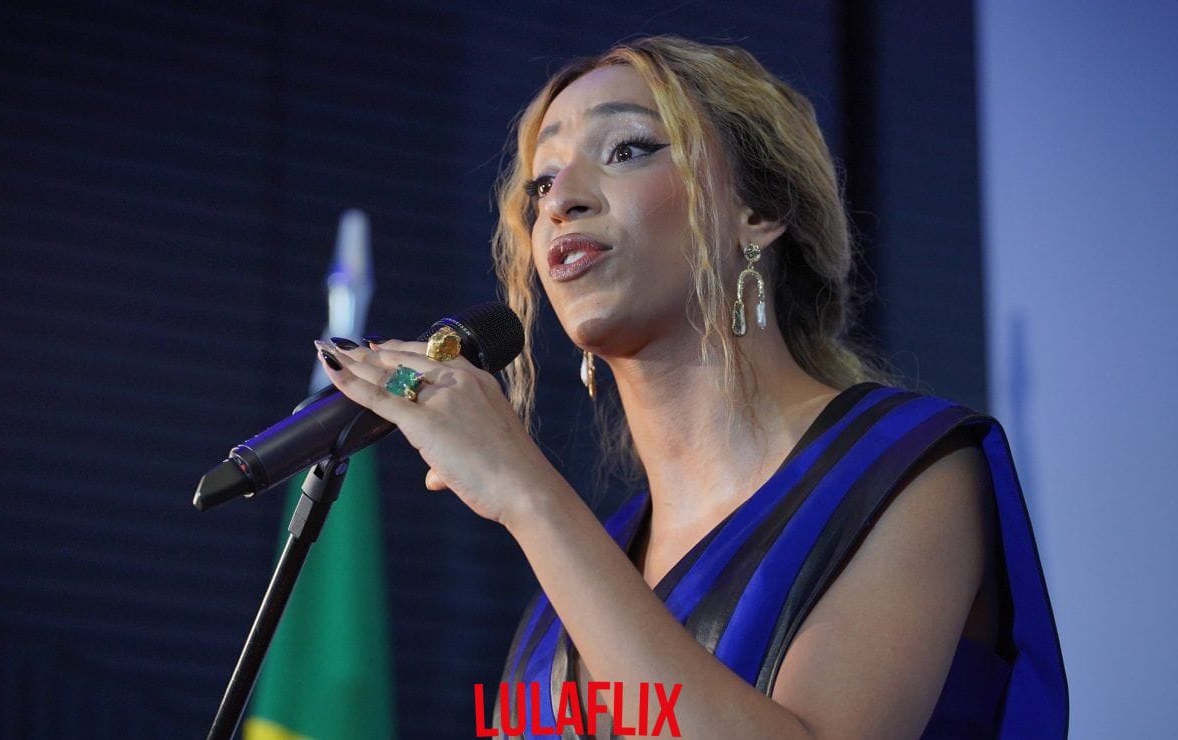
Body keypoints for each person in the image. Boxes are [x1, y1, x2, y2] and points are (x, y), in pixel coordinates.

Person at [316, 35, 1067, 739]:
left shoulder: (907, 470)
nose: (558, 200)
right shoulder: (569, 592)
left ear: (760, 211)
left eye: (627, 149)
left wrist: (529, 496)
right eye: (542, 181)